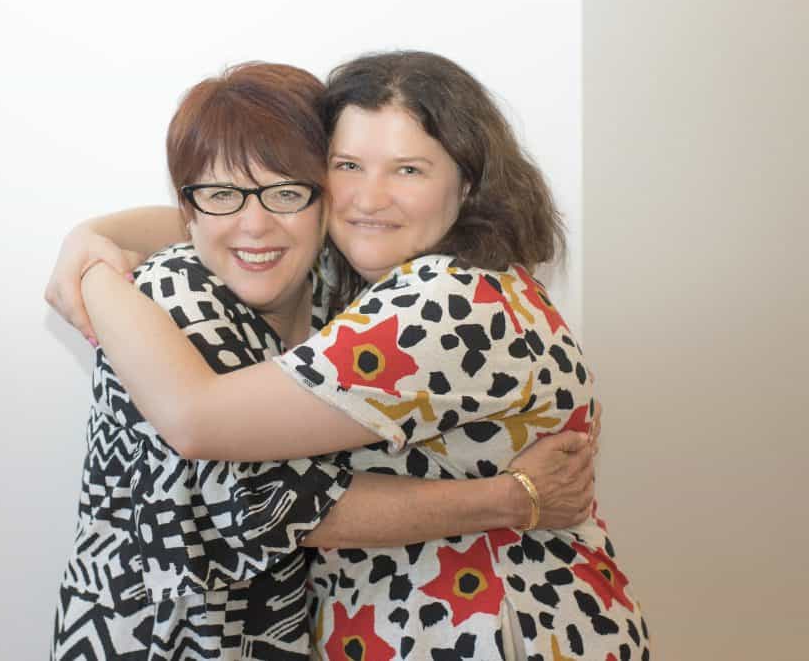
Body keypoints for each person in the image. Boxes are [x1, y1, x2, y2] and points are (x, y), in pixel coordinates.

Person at [50, 60, 598, 660]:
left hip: (488, 629)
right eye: (349, 167)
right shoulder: (196, 291)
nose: (369, 197)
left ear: (467, 183)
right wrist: (91, 250)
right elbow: (253, 491)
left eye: (409, 169)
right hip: (167, 636)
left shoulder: (434, 299)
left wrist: (92, 253)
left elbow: (247, 467)